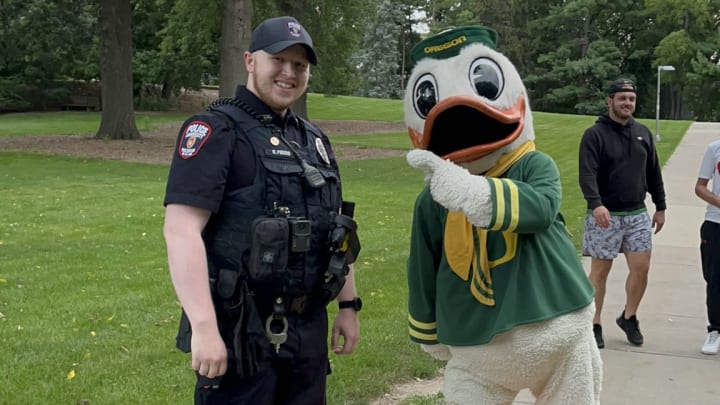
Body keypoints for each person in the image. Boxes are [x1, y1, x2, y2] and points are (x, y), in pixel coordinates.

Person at [162, 16, 362, 404]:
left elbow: (336, 228)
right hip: (240, 332)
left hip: (307, 331)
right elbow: (180, 229)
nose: (289, 73)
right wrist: (204, 328)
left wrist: (349, 305)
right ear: (251, 61)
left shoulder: (314, 141)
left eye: (300, 66)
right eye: (279, 61)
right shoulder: (216, 130)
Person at [579, 78, 666, 349]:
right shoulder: (595, 135)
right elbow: (587, 174)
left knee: (641, 268)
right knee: (600, 272)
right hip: (605, 215)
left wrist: (660, 206)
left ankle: (629, 317)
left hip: (637, 214)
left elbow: (653, 172)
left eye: (631, 99)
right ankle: (594, 323)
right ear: (610, 101)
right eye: (622, 98)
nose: (627, 103)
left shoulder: (642, 133)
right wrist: (596, 204)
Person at [695, 138, 720, 355]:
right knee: (715, 280)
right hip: (715, 223)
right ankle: (715, 330)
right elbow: (700, 187)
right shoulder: (714, 148)